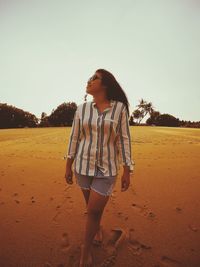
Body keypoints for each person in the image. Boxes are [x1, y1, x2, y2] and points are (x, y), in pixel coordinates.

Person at [64, 68, 135, 267]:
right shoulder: (81, 109)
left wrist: (127, 169)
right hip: (82, 167)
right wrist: (68, 165)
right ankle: (96, 229)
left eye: (94, 78)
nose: (89, 80)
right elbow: (74, 137)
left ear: (105, 84)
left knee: (93, 211)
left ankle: (85, 251)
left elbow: (124, 140)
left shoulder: (119, 108)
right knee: (91, 208)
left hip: (107, 169)